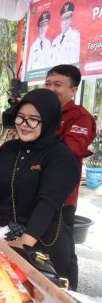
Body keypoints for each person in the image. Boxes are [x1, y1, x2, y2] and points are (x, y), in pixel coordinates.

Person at [0, 89, 79, 287]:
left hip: (42, 242)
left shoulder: (60, 157)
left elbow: (48, 203)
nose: (24, 125)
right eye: (20, 117)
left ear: (49, 120)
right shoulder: (7, 150)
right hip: (4, 234)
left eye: (33, 119)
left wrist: (26, 240)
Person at [44, 64, 97, 289]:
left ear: (73, 90)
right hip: (34, 193)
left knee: (61, 254)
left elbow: (70, 149)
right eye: (48, 84)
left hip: (60, 198)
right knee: (36, 249)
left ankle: (71, 300)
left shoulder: (80, 117)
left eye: (58, 85)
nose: (51, 89)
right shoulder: (41, 111)